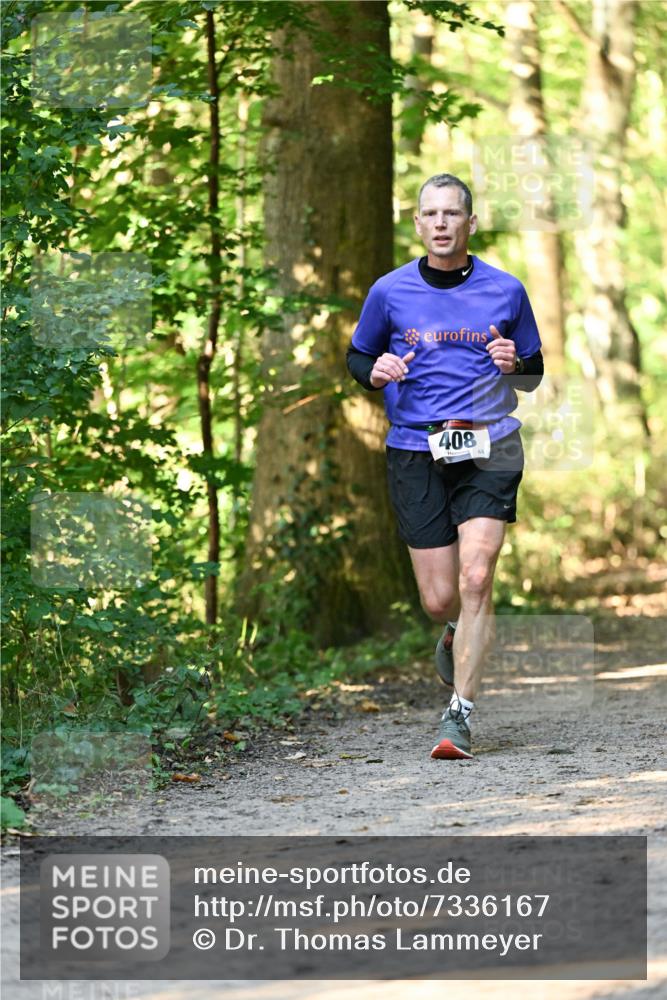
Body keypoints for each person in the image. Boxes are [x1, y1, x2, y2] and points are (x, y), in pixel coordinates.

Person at [346, 173, 544, 760]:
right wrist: (374, 371)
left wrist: (515, 362)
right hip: (416, 449)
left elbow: (532, 372)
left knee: (477, 576)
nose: (440, 223)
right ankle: (456, 631)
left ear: (470, 223)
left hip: (491, 444)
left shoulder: (506, 290)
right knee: (439, 599)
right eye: (430, 213)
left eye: (451, 214)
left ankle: (459, 715)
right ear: (417, 224)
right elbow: (359, 356)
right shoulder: (389, 291)